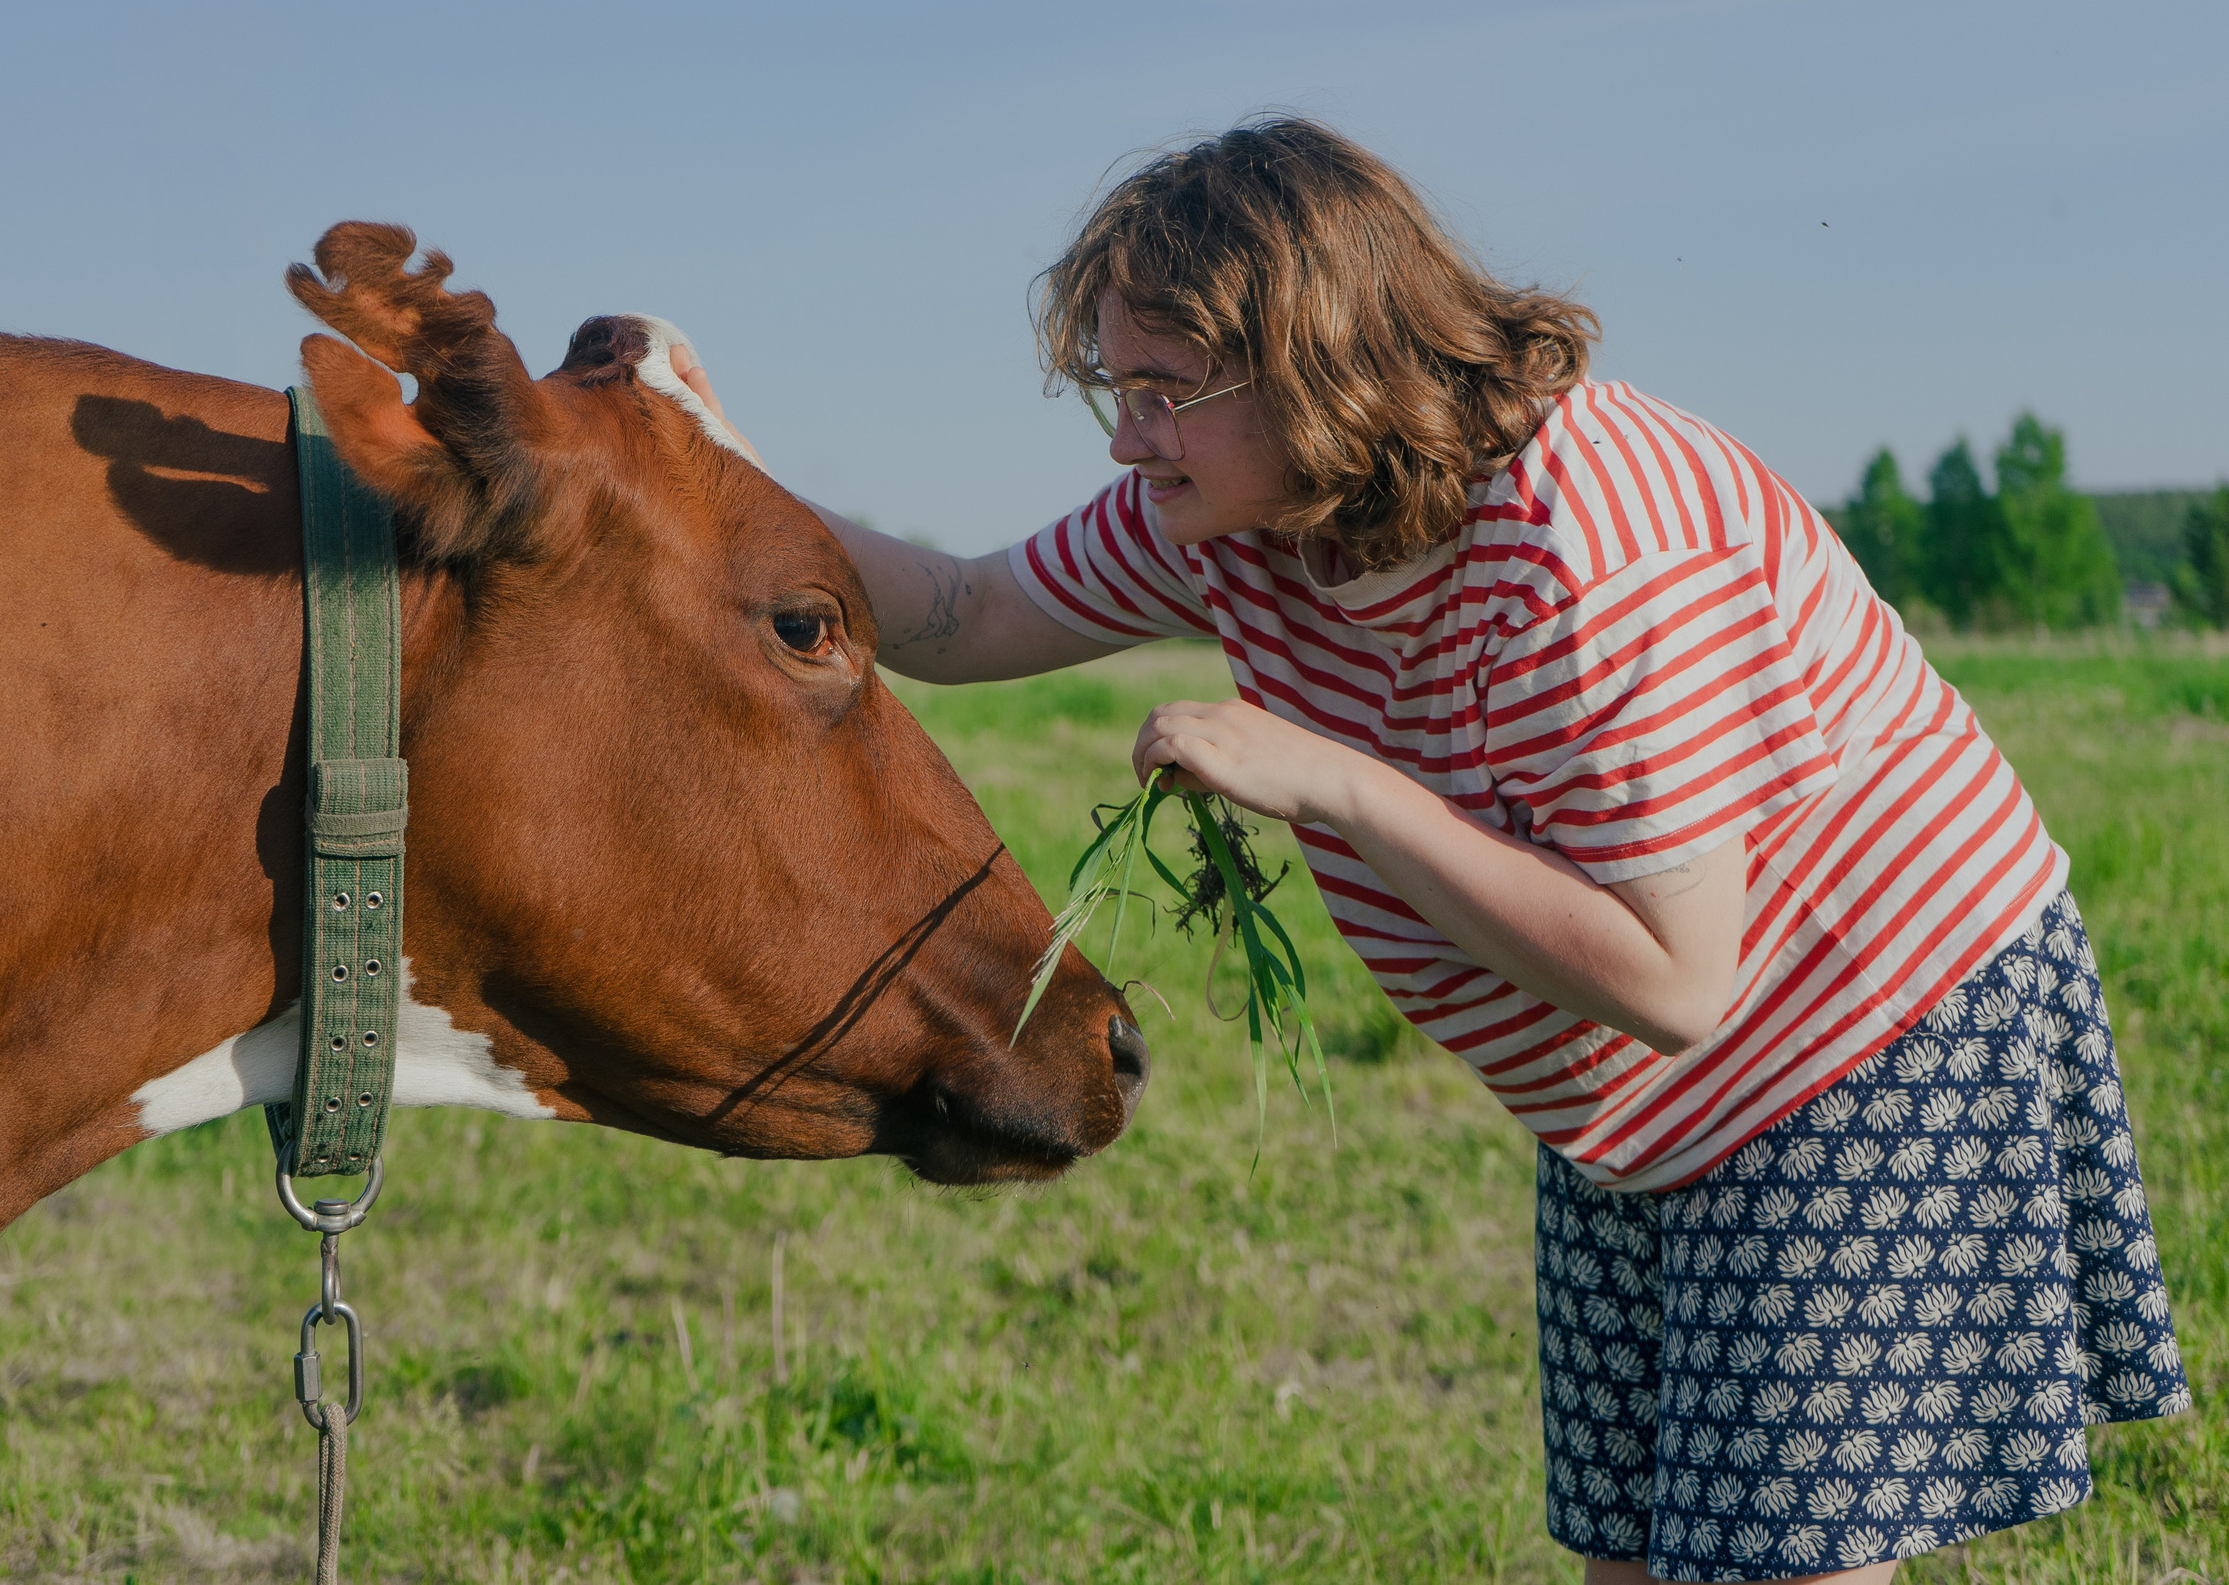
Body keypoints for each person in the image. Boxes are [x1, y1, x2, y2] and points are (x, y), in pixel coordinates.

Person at [678, 116, 2188, 1585]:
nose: (1129, 437)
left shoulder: (1589, 551)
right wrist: (712, 476)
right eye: (1114, 391)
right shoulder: (1237, 515)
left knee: (1780, 1558)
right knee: (1634, 1549)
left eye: (1164, 390)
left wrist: (1337, 783)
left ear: (1314, 363)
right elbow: (965, 613)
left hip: (1871, 1032)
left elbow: (1675, 983)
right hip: (1636, 1103)